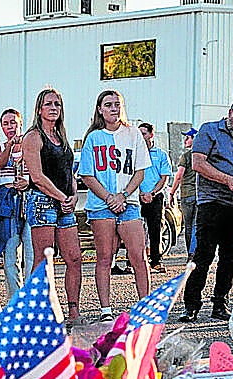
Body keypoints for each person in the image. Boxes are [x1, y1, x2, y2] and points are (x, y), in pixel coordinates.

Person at [180, 96, 233, 323]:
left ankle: (220, 304)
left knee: (230, 258)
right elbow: (198, 163)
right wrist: (227, 180)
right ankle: (191, 305)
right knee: (203, 255)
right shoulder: (209, 130)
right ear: (231, 112)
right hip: (211, 202)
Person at [79, 89, 150, 320]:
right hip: (101, 206)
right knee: (104, 256)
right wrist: (109, 197)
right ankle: (106, 310)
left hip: (128, 203)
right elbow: (87, 175)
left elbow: (140, 171)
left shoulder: (133, 134)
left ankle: (145, 307)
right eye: (108, 104)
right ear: (100, 109)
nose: (113, 108)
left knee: (138, 255)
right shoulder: (93, 137)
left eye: (117, 104)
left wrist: (123, 195)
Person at [22, 88, 83, 326]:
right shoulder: (33, 137)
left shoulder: (62, 136)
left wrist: (73, 195)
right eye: (48, 104)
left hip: (65, 204)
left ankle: (73, 311)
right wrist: (60, 197)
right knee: (43, 260)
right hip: (43, 202)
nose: (54, 108)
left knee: (74, 258)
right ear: (39, 109)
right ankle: (39, 314)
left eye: (57, 104)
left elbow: (69, 171)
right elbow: (36, 176)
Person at [0, 108, 33, 299]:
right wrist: (9, 146)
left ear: (20, 123)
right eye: (5, 123)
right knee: (10, 253)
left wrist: (28, 182)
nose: (10, 127)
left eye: (13, 122)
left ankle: (32, 297)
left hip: (29, 197)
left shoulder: (31, 144)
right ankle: (15, 297)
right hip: (8, 201)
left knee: (31, 253)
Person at [137, 122, 172, 273]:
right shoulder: (135, 154)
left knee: (155, 229)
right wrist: (138, 192)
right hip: (136, 196)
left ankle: (156, 261)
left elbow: (164, 178)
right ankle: (133, 261)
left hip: (155, 197)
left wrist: (152, 193)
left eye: (143, 133)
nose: (141, 137)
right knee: (135, 230)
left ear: (151, 135)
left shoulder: (161, 155)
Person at [168, 127, 198, 257]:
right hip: (201, 195)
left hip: (187, 195)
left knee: (189, 226)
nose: (185, 140)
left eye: (188, 137)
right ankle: (196, 252)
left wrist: (172, 192)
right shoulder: (204, 156)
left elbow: (179, 176)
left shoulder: (186, 156)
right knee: (198, 226)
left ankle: (190, 254)